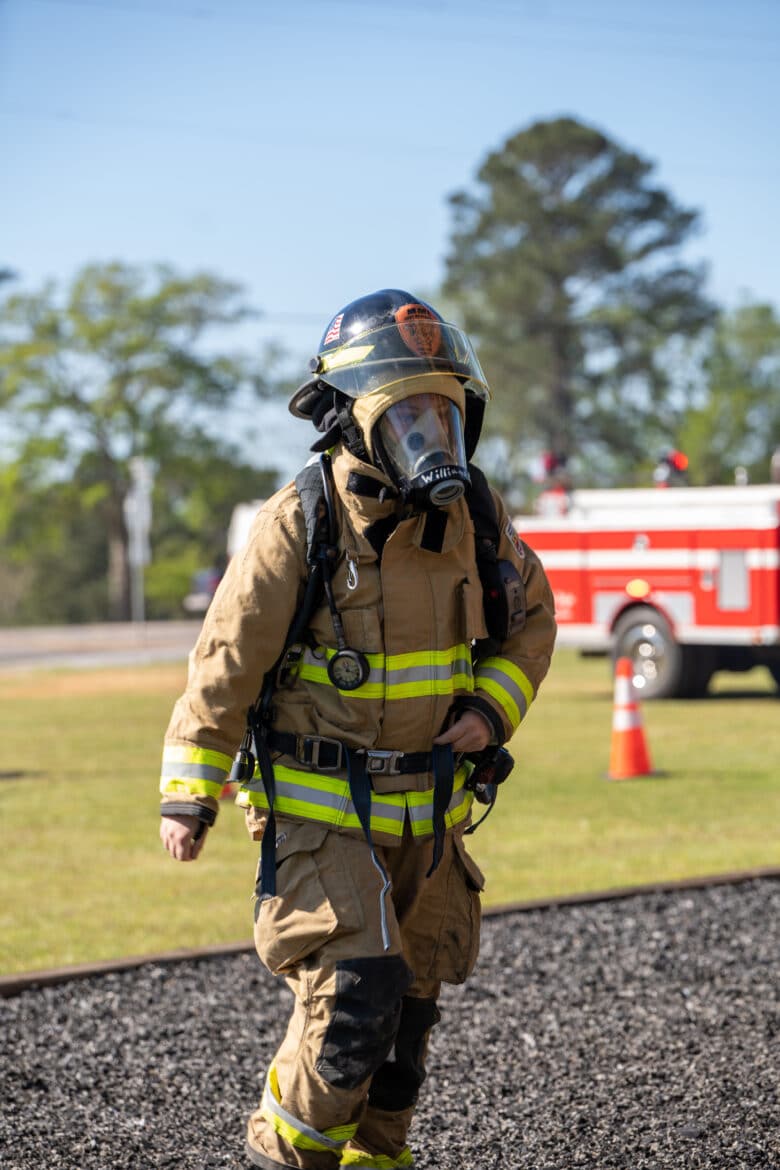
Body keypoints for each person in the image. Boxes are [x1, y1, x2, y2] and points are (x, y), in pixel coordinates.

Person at [158, 289, 557, 1170]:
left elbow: (532, 620)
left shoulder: (476, 519)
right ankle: (284, 1154)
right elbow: (225, 660)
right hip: (320, 818)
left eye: (442, 413)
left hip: (429, 816)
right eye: (408, 414)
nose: (430, 434)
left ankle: (378, 1158)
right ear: (352, 420)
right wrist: (189, 793)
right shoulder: (300, 524)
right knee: (355, 997)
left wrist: (489, 709)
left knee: (408, 1017)